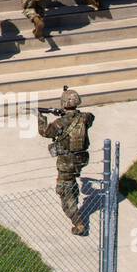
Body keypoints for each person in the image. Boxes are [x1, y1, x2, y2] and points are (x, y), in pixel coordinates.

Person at [38, 88, 95, 235]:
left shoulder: (60, 122)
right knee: (71, 182)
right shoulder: (84, 118)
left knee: (64, 192)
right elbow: (91, 117)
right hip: (80, 160)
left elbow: (45, 132)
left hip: (66, 162)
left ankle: (78, 222)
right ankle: (73, 193)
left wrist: (40, 117)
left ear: (63, 103)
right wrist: (68, 113)